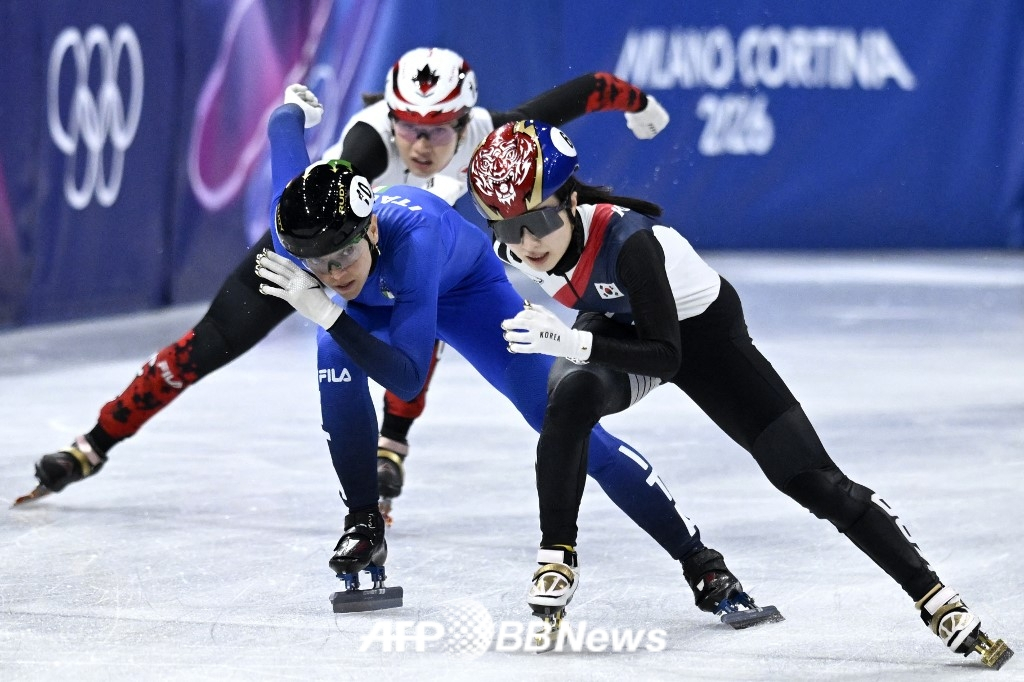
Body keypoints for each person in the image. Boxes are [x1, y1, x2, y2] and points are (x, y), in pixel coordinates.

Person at [19, 48, 671, 520]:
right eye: (407, 129)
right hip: (308, 248)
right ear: (389, 120)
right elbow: (296, 192)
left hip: (399, 259)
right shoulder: (365, 147)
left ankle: (391, 447)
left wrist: (638, 103)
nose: (420, 145)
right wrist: (288, 143)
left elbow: (587, 90)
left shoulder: (497, 134)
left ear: (465, 119)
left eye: (438, 130)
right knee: (206, 345)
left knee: (427, 316)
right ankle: (92, 444)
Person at [465, 119, 1013, 668]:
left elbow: (667, 356)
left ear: (572, 200)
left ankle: (934, 596)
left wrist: (573, 340)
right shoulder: (511, 245)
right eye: (509, 227)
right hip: (617, 322)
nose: (527, 241)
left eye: (538, 220)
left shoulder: (632, 243)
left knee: (810, 480)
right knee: (568, 399)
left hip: (702, 337)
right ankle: (556, 556)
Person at [252, 87, 772, 619]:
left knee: (560, 420)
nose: (335, 274)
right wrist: (296, 109)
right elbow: (282, 134)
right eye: (319, 264)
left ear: (373, 228)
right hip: (382, 299)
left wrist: (330, 311)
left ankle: (700, 561)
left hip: (463, 293)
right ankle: (363, 522)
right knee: (334, 361)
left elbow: (407, 380)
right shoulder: (294, 224)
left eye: (345, 255)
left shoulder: (416, 242)